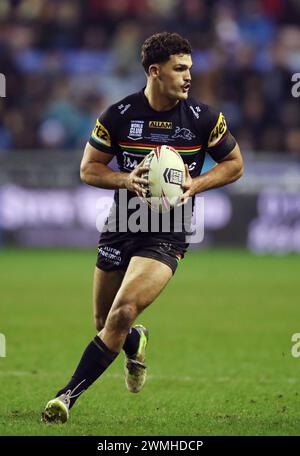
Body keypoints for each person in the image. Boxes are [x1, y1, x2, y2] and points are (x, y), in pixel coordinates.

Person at [42, 31, 243, 423]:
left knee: (123, 310)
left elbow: (235, 164)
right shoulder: (118, 115)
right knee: (107, 324)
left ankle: (65, 397)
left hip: (168, 231)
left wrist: (196, 183)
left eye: (190, 68)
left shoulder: (205, 119)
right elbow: (88, 169)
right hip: (123, 224)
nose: (188, 76)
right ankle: (137, 341)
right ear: (155, 71)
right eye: (179, 69)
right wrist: (124, 180)